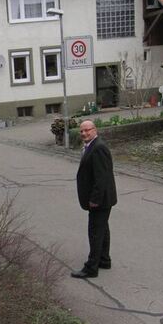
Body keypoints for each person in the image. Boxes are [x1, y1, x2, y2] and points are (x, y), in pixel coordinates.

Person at [71, 120, 117, 279]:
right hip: (101, 198)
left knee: (95, 232)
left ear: (95, 130)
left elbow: (102, 177)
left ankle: (91, 268)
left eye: (87, 130)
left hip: (100, 199)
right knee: (102, 229)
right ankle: (104, 260)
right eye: (81, 131)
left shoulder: (98, 148)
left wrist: (95, 199)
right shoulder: (92, 146)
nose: (84, 133)